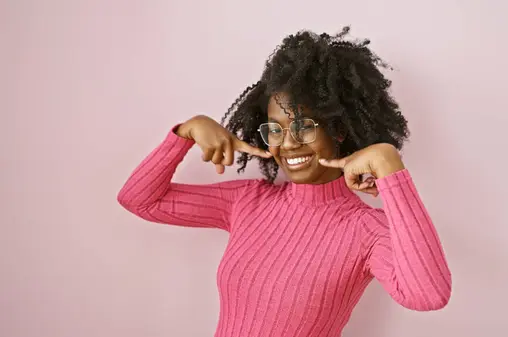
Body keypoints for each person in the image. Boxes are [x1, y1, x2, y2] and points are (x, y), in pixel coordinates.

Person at [117, 26, 451, 337]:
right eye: (275, 129)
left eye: (304, 126)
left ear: (337, 129)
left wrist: (389, 168)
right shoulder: (247, 201)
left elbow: (428, 295)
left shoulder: (365, 230)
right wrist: (187, 132)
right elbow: (140, 199)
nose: (288, 143)